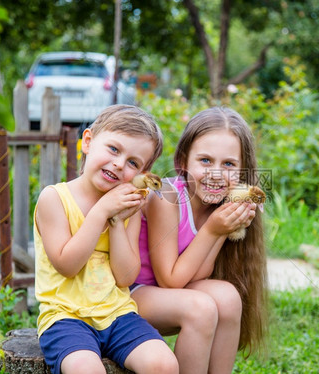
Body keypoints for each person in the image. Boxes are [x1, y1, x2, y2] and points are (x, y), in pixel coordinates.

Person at [33, 105, 179, 374]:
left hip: (118, 314)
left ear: (140, 175)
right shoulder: (54, 199)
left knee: (164, 364)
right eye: (114, 149)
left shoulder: (127, 210)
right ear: (87, 142)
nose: (119, 164)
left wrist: (115, 221)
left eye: (133, 163)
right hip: (65, 317)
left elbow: (125, 277)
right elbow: (67, 265)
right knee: (86, 369)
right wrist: (102, 211)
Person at [131, 106, 268, 373]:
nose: (216, 174)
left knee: (228, 297)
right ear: (183, 161)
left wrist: (221, 229)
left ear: (242, 172)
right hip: (126, 294)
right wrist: (214, 231)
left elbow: (197, 274)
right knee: (200, 307)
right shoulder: (167, 198)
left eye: (228, 164)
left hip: (163, 296)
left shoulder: (217, 206)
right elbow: (170, 279)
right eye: (205, 160)